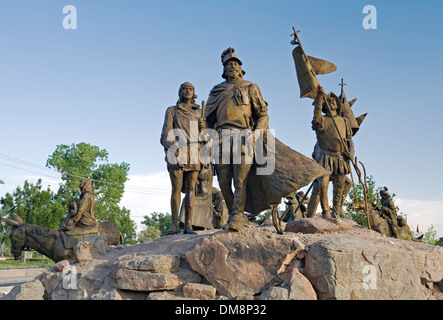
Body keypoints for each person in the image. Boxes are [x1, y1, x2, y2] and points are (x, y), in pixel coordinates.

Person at [204, 47, 269, 231]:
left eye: (235, 64)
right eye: (229, 64)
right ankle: (234, 212)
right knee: (223, 181)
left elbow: (263, 114)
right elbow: (208, 120)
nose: (232, 66)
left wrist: (257, 132)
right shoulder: (216, 91)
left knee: (240, 180)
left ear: (241, 69)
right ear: (224, 70)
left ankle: (237, 215)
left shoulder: (251, 87)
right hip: (221, 137)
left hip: (243, 135)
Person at [161, 82, 205, 235]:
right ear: (179, 92)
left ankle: (188, 225)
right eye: (184, 89)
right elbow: (166, 134)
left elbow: (205, 138)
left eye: (191, 89)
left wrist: (203, 128)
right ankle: (174, 225)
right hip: (178, 151)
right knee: (176, 189)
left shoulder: (199, 113)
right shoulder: (172, 111)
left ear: (194, 93)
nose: (187, 91)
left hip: (194, 152)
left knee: (191, 189)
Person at [306, 86, 354, 219]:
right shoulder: (322, 120)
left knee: (339, 185)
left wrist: (351, 152)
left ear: (338, 106)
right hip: (325, 157)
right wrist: (320, 97)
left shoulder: (344, 121)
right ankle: (325, 210)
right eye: (330, 100)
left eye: (334, 101)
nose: (332, 101)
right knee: (323, 184)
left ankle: (336, 211)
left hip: (340, 158)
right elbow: (315, 119)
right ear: (325, 106)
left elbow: (349, 140)